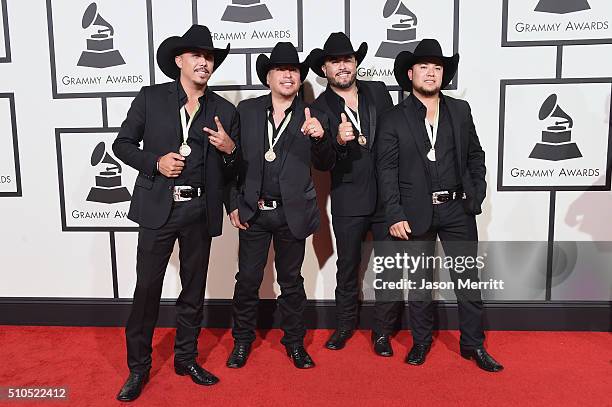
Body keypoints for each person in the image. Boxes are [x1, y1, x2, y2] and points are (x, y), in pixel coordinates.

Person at [112, 25, 240, 401]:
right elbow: (122, 144)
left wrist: (231, 149)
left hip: (199, 210)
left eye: (210, 57)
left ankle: (186, 358)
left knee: (193, 291)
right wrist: (154, 162)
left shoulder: (224, 110)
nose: (204, 62)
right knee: (147, 290)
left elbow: (234, 172)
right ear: (179, 61)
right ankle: (139, 368)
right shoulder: (151, 98)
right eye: (197, 56)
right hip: (158, 208)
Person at [375, 39, 503, 372]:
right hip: (415, 212)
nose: (431, 73)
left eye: (437, 67)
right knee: (419, 283)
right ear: (410, 72)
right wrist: (395, 213)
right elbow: (385, 170)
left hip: (457, 210)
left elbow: (476, 154)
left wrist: (476, 194)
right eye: (424, 67)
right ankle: (420, 342)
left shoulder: (460, 110)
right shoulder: (393, 117)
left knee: (467, 280)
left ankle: (473, 345)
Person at [225, 42, 335, 370]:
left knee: (291, 281)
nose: (288, 75)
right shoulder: (246, 111)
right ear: (269, 76)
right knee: (247, 280)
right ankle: (242, 342)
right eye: (280, 70)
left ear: (300, 78)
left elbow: (327, 162)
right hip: (253, 211)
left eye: (294, 70)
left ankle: (295, 343)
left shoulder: (316, 114)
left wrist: (320, 138)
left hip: (293, 214)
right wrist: (233, 202)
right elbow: (228, 161)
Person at [308, 32, 396, 355]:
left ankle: (383, 332)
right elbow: (321, 162)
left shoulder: (379, 92)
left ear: (355, 62)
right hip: (347, 199)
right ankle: (345, 324)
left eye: (347, 59)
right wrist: (336, 142)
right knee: (348, 267)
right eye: (334, 62)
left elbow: (394, 140)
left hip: (388, 199)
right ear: (325, 70)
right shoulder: (318, 108)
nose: (342, 66)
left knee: (389, 268)